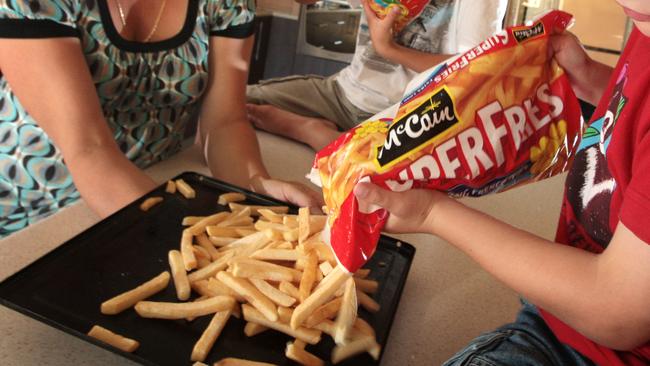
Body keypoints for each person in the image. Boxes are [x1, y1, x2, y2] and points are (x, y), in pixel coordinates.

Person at [353, 1, 650, 365]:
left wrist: (432, 214)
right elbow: (634, 109)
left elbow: (615, 310)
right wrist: (586, 75)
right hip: (563, 310)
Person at [0, 0, 322, 238]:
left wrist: (256, 186)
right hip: (31, 210)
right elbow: (89, 147)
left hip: (149, 182)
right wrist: (191, 233)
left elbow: (225, 122)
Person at [246, 0, 508, 151]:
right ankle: (333, 139)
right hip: (340, 94)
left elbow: (473, 70)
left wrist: (388, 48)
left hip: (401, 117)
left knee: (381, 179)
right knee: (234, 104)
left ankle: (313, 133)